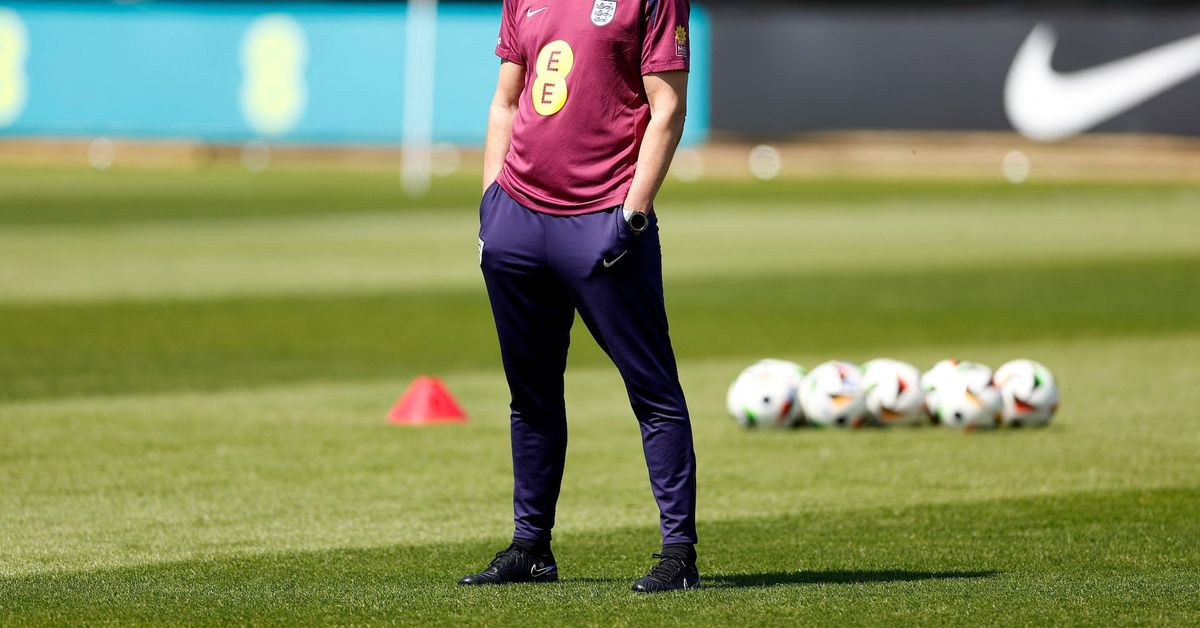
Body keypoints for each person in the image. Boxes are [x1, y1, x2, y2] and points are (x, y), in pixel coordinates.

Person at [459, 0, 697, 593]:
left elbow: (667, 107)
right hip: (517, 221)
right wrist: (491, 204)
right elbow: (506, 100)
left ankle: (678, 556)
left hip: (603, 221)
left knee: (653, 391)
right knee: (530, 395)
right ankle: (530, 549)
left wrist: (633, 215)